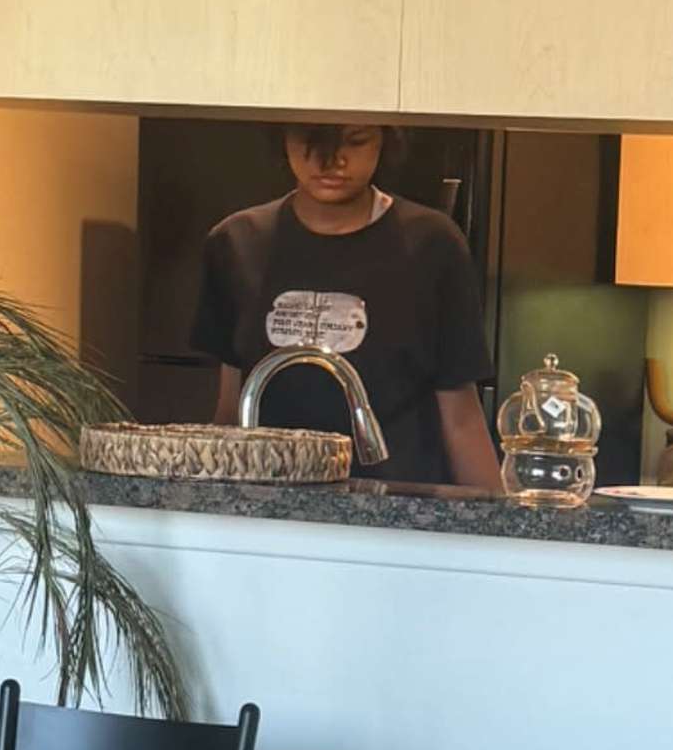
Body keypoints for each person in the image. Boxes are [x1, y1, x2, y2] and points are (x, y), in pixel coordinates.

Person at [190, 119, 500, 490]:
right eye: (310, 141)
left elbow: (460, 413)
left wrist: (500, 525)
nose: (331, 161)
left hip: (399, 505)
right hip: (269, 502)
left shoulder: (432, 244)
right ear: (283, 138)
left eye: (355, 142)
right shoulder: (237, 243)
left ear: (385, 139)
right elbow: (231, 405)